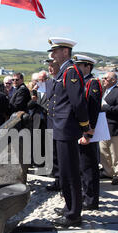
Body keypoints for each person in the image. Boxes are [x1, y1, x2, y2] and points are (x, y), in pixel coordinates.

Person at [45, 37, 92, 228]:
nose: (52, 54)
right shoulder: (64, 71)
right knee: (64, 172)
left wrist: (85, 127)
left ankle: (74, 214)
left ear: (65, 52)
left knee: (71, 173)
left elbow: (77, 102)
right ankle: (69, 206)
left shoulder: (71, 71)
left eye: (55, 51)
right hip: (60, 127)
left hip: (67, 128)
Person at [74, 54, 102, 210]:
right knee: (82, 166)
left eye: (80, 65)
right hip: (80, 130)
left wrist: (88, 133)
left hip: (88, 132)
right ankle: (86, 195)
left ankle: (91, 200)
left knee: (89, 167)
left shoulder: (92, 83)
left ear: (88, 67)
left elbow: (93, 110)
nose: (77, 68)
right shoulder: (82, 82)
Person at [99, 72, 118, 185]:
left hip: (113, 125)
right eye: (104, 78)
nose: (104, 80)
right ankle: (108, 171)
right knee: (103, 151)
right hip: (103, 124)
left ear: (114, 80)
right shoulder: (105, 91)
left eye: (106, 78)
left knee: (115, 152)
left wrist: (107, 108)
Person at [45, 52, 62, 192]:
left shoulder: (62, 80)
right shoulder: (49, 82)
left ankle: (64, 181)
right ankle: (57, 179)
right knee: (54, 153)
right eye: (49, 66)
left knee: (63, 155)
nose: (50, 68)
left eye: (53, 65)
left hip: (61, 122)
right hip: (51, 122)